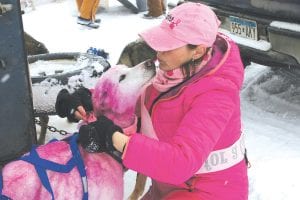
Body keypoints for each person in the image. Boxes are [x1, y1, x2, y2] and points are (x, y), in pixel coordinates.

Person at [56, 2, 249, 199]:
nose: (159, 53)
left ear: (197, 51)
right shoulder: (176, 71)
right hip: (169, 185)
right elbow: (136, 97)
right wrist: (90, 98)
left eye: (168, 47)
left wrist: (114, 138)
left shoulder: (216, 94)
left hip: (206, 191)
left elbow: (181, 163)